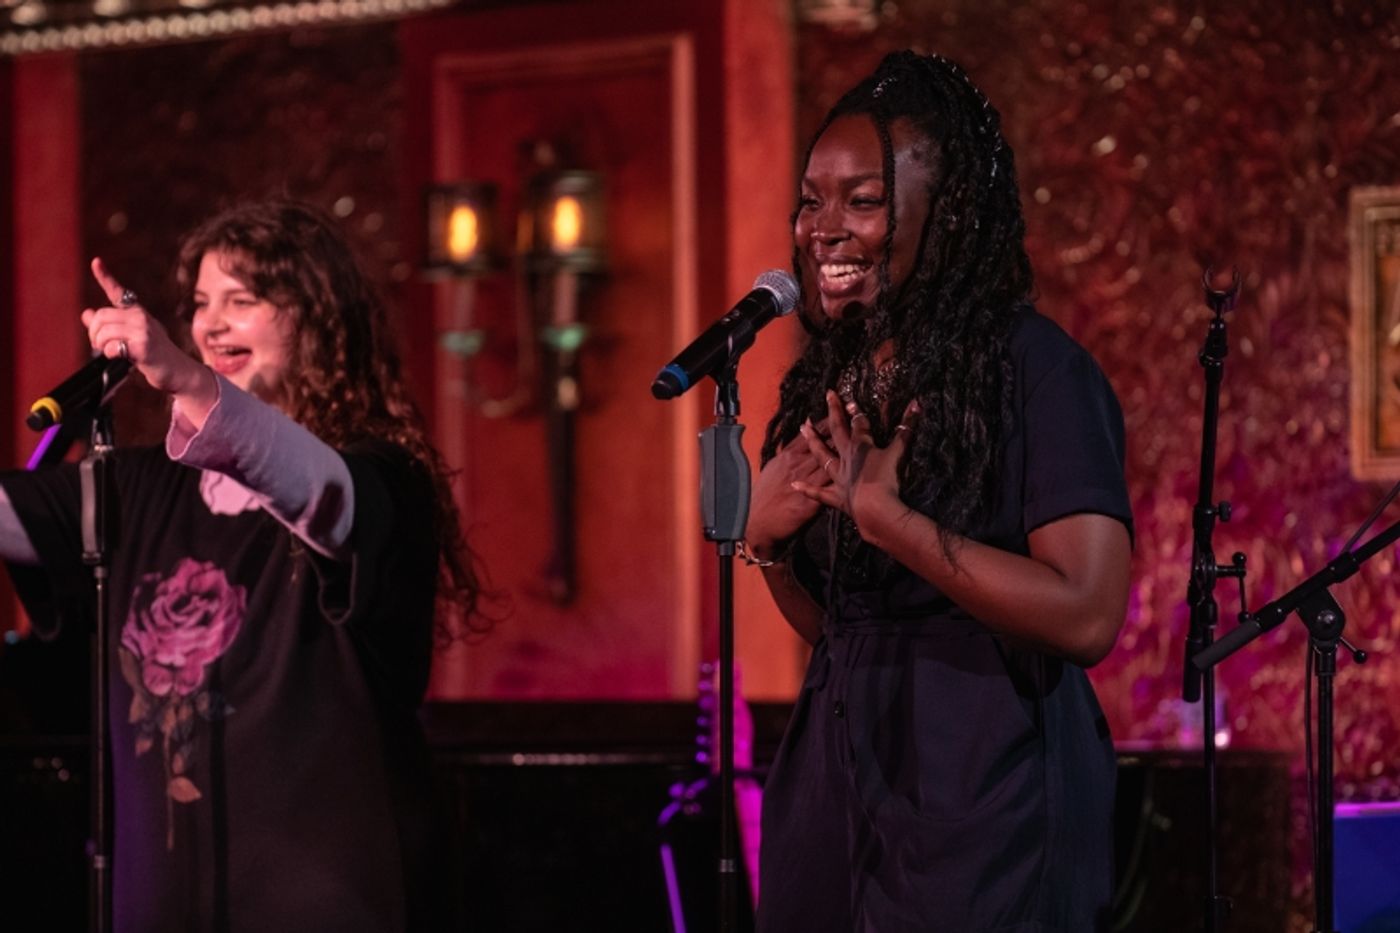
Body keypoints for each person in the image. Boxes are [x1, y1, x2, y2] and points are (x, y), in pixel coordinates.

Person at [0, 199, 485, 932]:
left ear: (316, 320)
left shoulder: (383, 477)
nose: (211, 325)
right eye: (200, 304)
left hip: (327, 902)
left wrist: (187, 380)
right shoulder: (139, 486)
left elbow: (318, 489)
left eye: (243, 300)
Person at [744, 51, 1133, 931]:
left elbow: (1087, 614)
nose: (823, 228)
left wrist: (899, 525)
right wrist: (766, 549)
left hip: (987, 805)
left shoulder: (1038, 372)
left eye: (863, 200)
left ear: (945, 214)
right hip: (839, 799)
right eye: (812, 198)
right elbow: (853, 632)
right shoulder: (833, 381)